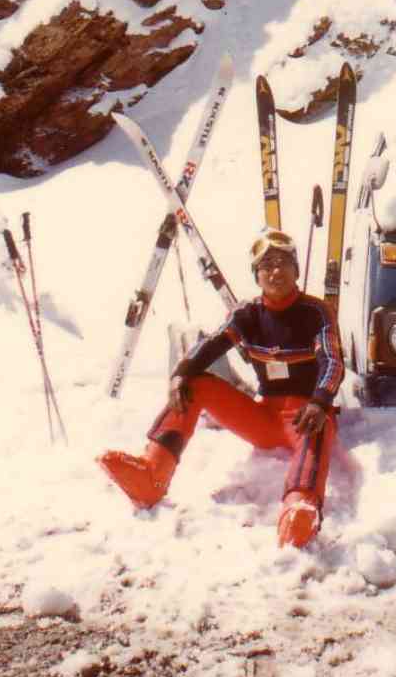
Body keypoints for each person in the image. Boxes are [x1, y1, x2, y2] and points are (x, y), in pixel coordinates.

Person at [97, 226, 344, 549]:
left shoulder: (316, 311)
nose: (275, 271)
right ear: (256, 276)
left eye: (283, 262)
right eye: (266, 265)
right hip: (265, 416)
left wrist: (320, 400)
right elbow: (211, 344)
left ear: (296, 270)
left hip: (305, 417)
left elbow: (332, 361)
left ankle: (300, 507)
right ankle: (151, 474)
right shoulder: (248, 313)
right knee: (194, 384)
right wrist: (181, 373)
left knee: (322, 424)